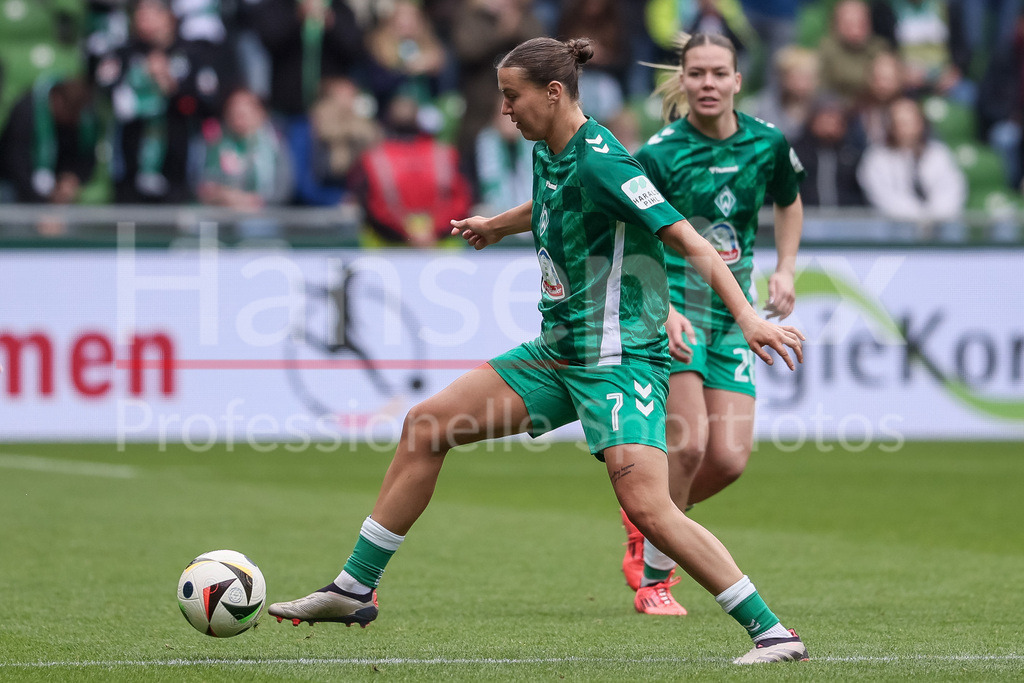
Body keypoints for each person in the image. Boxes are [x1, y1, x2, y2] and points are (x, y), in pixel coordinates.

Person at [267, 36, 809, 665]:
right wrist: (497, 224)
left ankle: (774, 634)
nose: (504, 110)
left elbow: (689, 240)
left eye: (511, 96)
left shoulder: (606, 161)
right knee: (426, 425)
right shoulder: (549, 147)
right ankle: (354, 587)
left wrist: (747, 316)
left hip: (617, 362)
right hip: (557, 353)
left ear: (553, 93)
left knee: (650, 508)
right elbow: (556, 202)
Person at [621, 32, 806, 617]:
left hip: (732, 313)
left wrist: (786, 269)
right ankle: (655, 578)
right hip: (673, 307)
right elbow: (633, 232)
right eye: (697, 73)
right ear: (683, 79)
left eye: (718, 73)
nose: (707, 83)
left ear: (737, 81)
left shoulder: (767, 142)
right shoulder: (660, 153)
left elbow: (789, 200)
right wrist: (664, 305)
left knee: (728, 460)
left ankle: (650, 517)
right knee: (690, 445)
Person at [856, 95, 967, 225]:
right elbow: (882, 196)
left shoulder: (938, 153)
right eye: (901, 122)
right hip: (894, 227)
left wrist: (933, 219)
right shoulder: (876, 158)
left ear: (921, 123)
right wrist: (918, 218)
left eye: (911, 121)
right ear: (891, 126)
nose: (907, 127)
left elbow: (951, 189)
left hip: (938, 227)